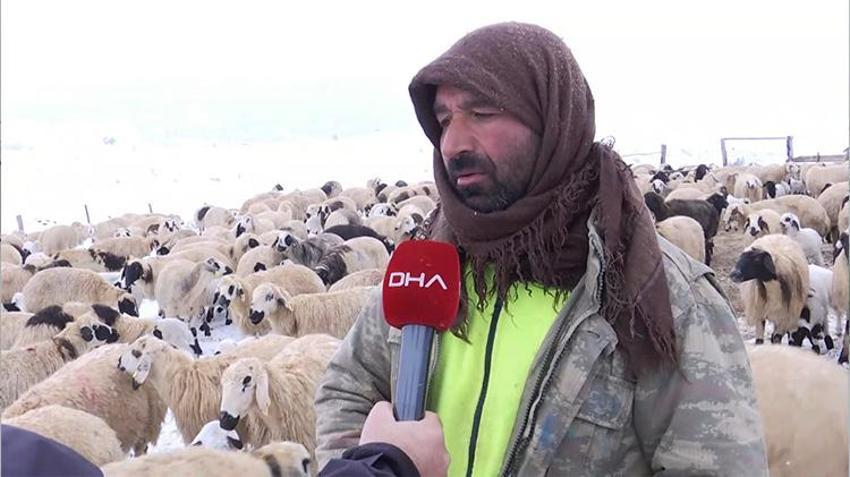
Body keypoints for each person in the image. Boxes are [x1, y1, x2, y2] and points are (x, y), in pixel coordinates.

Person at [315, 22, 769, 476]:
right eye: (445, 119)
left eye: (482, 113)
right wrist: (379, 466)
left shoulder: (662, 297)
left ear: (552, 121)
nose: (452, 144)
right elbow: (348, 388)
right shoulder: (426, 267)